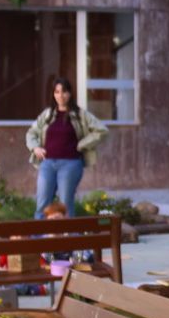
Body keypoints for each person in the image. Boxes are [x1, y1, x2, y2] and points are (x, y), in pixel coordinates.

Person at [26, 77, 108, 218]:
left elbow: (102, 130)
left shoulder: (80, 115)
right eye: (57, 92)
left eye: (64, 91)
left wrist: (82, 144)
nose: (60, 95)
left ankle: (68, 237)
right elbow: (31, 132)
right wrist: (35, 148)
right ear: (53, 94)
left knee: (65, 204)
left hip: (70, 164)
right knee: (42, 204)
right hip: (47, 163)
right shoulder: (47, 114)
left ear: (70, 93)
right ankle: (38, 237)